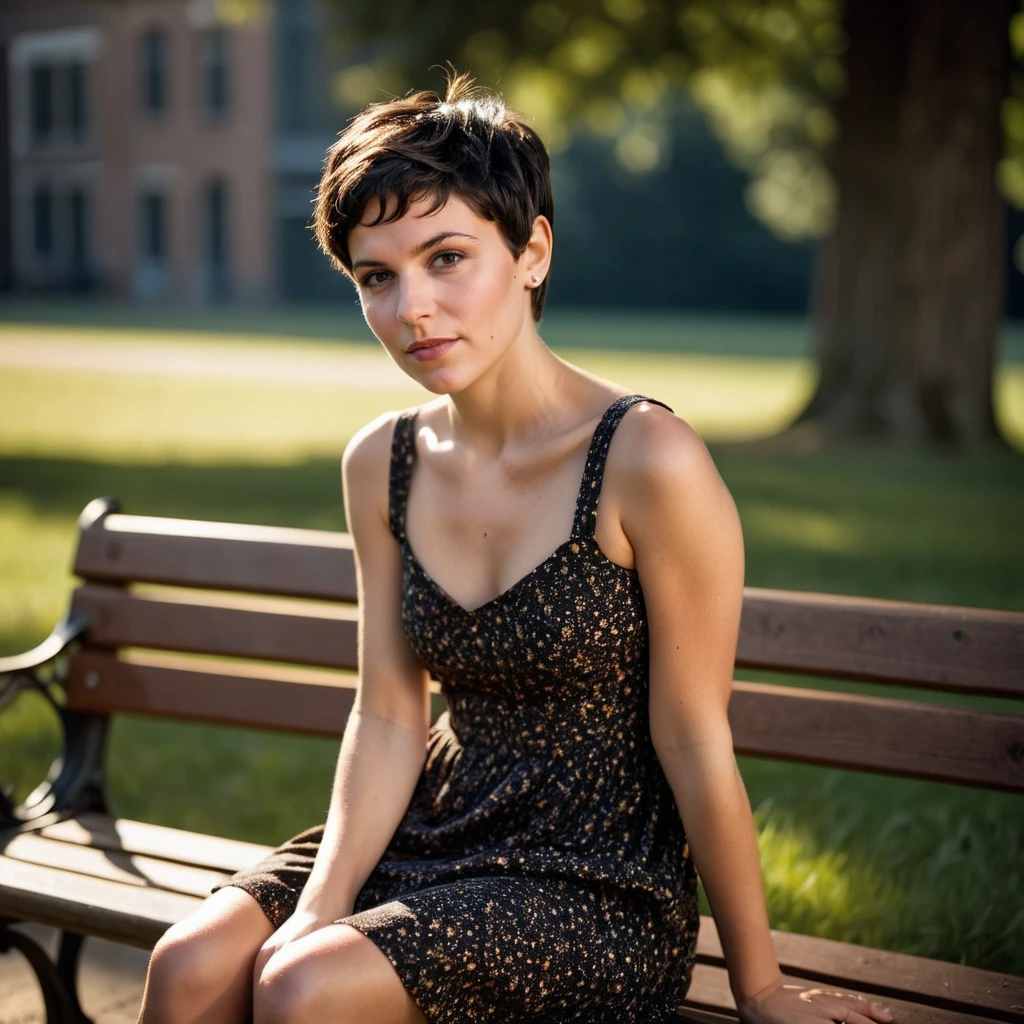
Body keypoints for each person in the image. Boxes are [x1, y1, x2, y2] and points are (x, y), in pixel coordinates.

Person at [138, 73, 896, 1024]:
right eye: (377, 277)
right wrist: (326, 900)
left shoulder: (646, 458)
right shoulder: (384, 461)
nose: (412, 307)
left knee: (303, 986)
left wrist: (760, 988)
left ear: (531, 250)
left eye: (446, 257)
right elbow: (385, 718)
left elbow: (695, 736)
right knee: (190, 965)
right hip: (433, 827)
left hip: (594, 876)